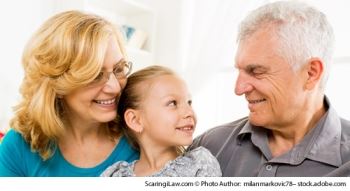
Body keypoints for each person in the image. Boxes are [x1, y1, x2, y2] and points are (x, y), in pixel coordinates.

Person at [189, 1, 350, 176]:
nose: (238, 88)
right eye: (240, 70)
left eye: (256, 71)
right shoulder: (209, 146)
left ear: (311, 73)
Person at [0, 10, 139, 176]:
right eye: (95, 75)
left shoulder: (142, 136)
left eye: (118, 69)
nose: (115, 87)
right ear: (56, 84)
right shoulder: (19, 146)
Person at [101, 66, 221, 177]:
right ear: (135, 120)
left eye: (189, 102)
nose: (189, 112)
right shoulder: (116, 175)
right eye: (173, 103)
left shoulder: (199, 165)